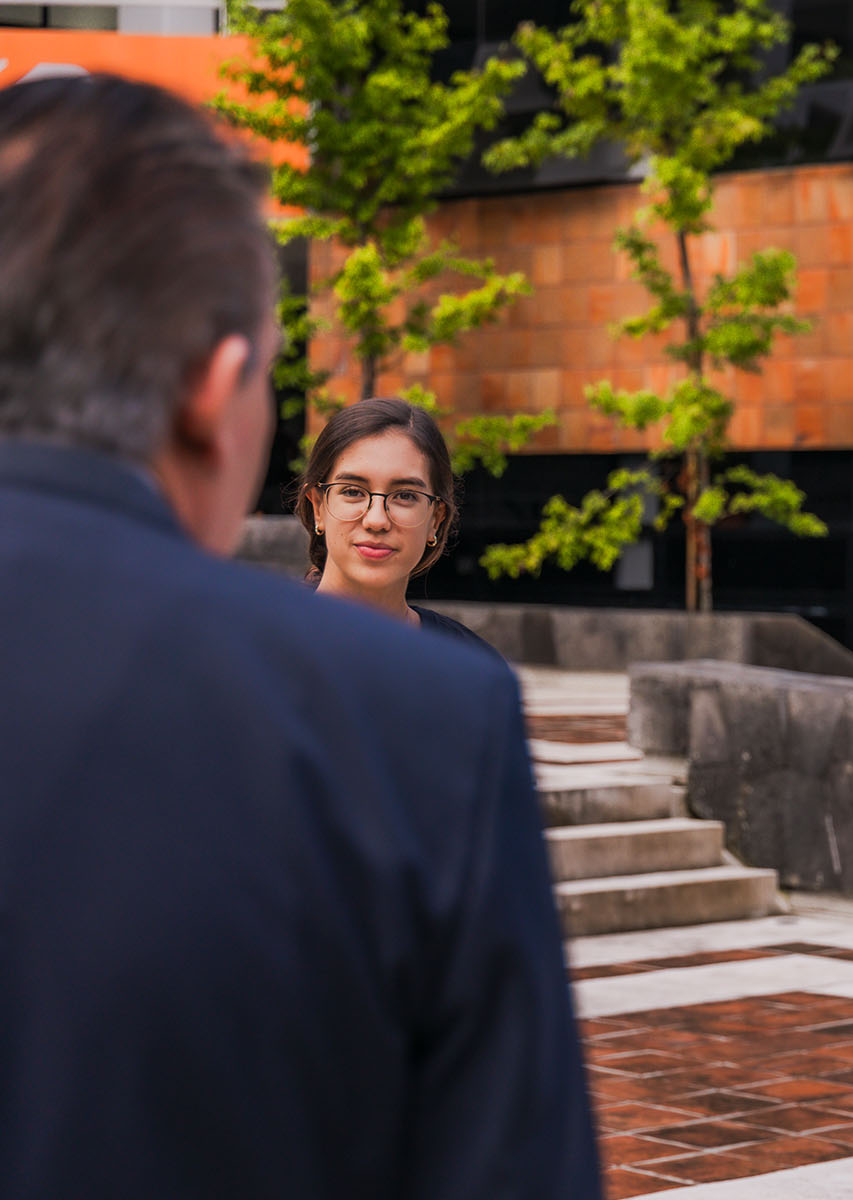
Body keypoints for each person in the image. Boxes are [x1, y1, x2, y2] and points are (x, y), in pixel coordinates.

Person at [0, 75, 601, 1197]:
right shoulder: (416, 717)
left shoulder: (439, 681)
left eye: (406, 496)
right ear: (215, 390)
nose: (378, 516)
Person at [296, 396, 492, 653]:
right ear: (318, 507)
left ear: (436, 519)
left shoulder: (469, 665)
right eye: (353, 491)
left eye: (405, 496)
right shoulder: (253, 649)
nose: (376, 520)